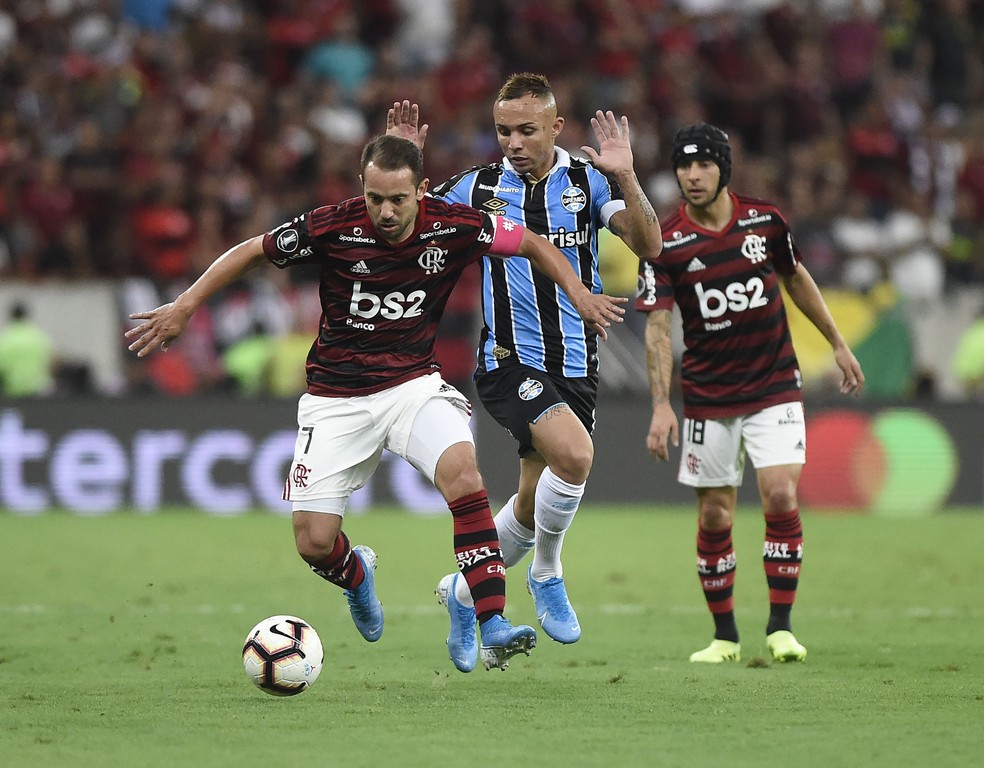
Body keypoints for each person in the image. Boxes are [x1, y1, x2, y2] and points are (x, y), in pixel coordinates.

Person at [126, 135, 626, 671]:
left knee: (463, 475)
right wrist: (184, 306)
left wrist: (576, 290)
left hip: (413, 386)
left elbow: (528, 241)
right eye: (374, 199)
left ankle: (492, 619)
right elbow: (252, 251)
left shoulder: (454, 224)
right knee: (315, 543)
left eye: (398, 200)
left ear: (422, 192)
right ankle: (357, 575)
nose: (385, 213)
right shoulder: (331, 226)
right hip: (335, 397)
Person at [387, 72, 662, 672]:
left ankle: (462, 596)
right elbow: (405, 230)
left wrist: (626, 174)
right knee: (577, 456)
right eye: (503, 131)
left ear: (556, 128)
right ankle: (546, 573)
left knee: (535, 501)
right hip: (507, 361)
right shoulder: (474, 187)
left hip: (575, 363)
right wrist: (405, 164)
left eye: (526, 131)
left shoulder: (588, 182)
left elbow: (651, 244)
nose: (512, 142)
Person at [635, 123, 865, 664]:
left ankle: (781, 628)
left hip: (774, 385)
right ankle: (725, 637)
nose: (692, 176)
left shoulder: (766, 221)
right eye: (684, 166)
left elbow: (797, 278)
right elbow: (656, 328)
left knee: (781, 496)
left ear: (723, 169)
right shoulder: (664, 242)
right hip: (709, 397)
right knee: (715, 516)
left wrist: (837, 342)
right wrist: (661, 405)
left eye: (704, 165)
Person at [0, 302, 56, 397]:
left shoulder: (6, 338)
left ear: (11, 316)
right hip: (37, 390)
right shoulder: (39, 336)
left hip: (13, 391)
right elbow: (51, 362)